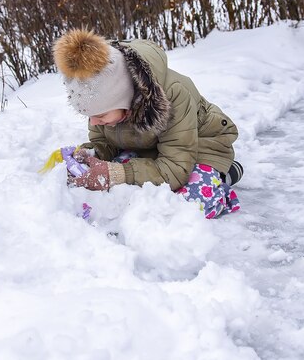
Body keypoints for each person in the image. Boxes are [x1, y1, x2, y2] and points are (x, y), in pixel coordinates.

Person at [53, 28, 243, 218]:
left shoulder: (173, 96)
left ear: (123, 100)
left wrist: (116, 173)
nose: (94, 122)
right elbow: (104, 143)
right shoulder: (103, 106)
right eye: (89, 115)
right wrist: (91, 153)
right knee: (114, 186)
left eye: (100, 115)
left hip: (200, 144)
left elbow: (176, 168)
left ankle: (224, 175)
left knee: (186, 207)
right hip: (151, 146)